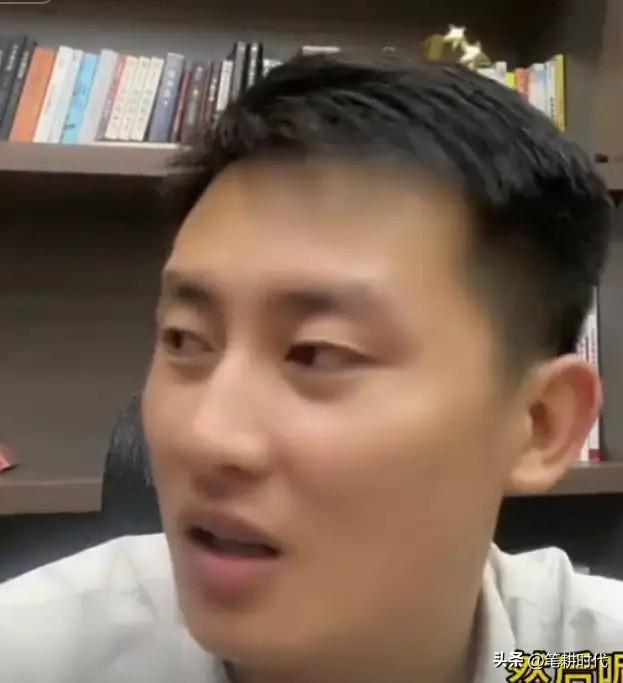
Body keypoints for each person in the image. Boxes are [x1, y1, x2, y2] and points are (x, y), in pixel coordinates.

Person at [1, 54, 622, 683]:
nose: (206, 437)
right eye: (185, 340)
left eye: (319, 353)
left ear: (539, 425)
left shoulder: (579, 662)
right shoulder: (34, 656)